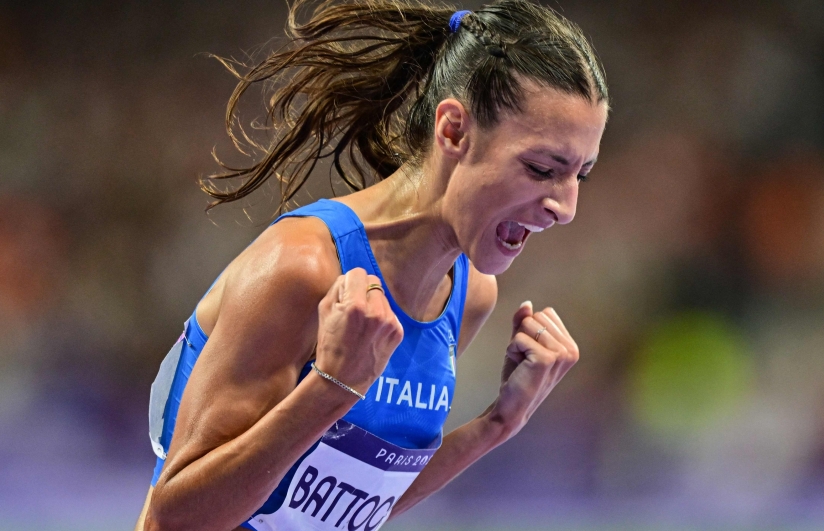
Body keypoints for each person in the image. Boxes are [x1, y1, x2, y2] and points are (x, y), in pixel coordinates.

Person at [136, 0, 608, 529]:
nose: (565, 208)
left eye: (580, 176)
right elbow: (171, 521)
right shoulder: (303, 269)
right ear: (453, 131)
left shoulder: (469, 295)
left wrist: (496, 425)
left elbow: (347, 513)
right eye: (542, 168)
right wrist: (330, 390)